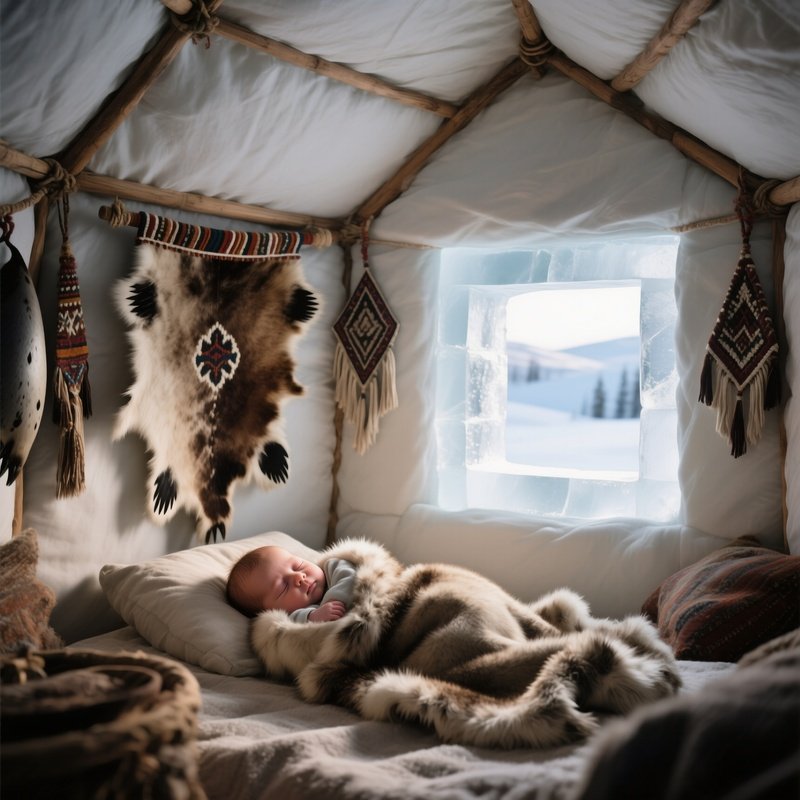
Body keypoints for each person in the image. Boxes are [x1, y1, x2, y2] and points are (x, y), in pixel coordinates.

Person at [226, 545, 356, 622]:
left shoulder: (332, 567)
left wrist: (332, 601)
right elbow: (293, 627)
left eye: (298, 566)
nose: (298, 577)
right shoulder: (294, 617)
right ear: (271, 611)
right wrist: (313, 617)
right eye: (284, 587)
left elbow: (351, 578)